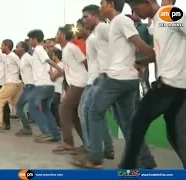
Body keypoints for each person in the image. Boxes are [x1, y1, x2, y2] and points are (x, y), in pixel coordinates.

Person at [80, 0, 156, 169]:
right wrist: (138, 62)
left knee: (93, 112)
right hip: (126, 78)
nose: (100, 8)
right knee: (127, 123)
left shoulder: (121, 21)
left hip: (117, 79)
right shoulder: (115, 23)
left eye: (102, 4)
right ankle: (146, 160)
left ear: (111, 4)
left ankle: (95, 158)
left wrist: (154, 56)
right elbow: (130, 49)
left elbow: (139, 44)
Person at [122, 0, 186, 169]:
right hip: (173, 84)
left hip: (172, 83)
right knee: (175, 134)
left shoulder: (170, 12)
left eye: (136, 8)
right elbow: (163, 54)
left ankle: (127, 168)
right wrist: (141, 61)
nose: (136, 13)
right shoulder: (158, 22)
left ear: (147, 2)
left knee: (138, 121)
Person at [73, 5, 115, 167]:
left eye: (80, 26)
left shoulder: (95, 36)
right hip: (96, 79)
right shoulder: (94, 38)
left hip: (97, 80)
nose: (77, 30)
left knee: (87, 113)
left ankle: (93, 151)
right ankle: (104, 149)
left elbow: (108, 54)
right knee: (95, 115)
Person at [51, 25, 86, 153]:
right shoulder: (66, 49)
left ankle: (68, 143)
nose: (56, 35)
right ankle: (87, 143)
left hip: (80, 83)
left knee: (64, 108)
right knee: (74, 115)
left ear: (63, 35)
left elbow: (86, 62)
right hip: (74, 83)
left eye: (57, 33)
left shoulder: (72, 48)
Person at [27, 29, 62, 143]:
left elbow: (48, 61)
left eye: (30, 39)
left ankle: (47, 132)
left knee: (32, 107)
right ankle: (55, 134)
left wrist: (59, 69)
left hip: (42, 85)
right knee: (46, 110)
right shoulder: (39, 51)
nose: (29, 41)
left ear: (35, 39)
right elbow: (47, 66)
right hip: (48, 85)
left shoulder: (38, 49)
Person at [0, 39, 23, 132]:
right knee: (17, 104)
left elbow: (21, 67)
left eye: (2, 45)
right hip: (14, 83)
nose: (1, 47)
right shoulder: (7, 56)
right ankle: (26, 125)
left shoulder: (13, 56)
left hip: (12, 83)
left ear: (7, 46)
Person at [14, 41, 35, 136]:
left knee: (19, 105)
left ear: (23, 48)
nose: (15, 49)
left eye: (17, 47)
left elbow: (37, 67)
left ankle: (27, 128)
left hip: (31, 85)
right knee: (37, 108)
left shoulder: (28, 57)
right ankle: (27, 128)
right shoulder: (22, 58)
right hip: (27, 85)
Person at [50, 48, 64, 130]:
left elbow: (53, 77)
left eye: (53, 55)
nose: (52, 56)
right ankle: (55, 124)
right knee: (52, 107)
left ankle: (59, 125)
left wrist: (50, 71)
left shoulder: (60, 65)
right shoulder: (54, 65)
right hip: (53, 88)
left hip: (57, 88)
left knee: (56, 108)